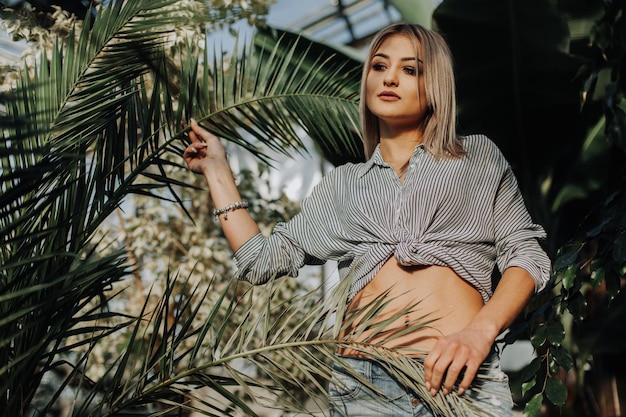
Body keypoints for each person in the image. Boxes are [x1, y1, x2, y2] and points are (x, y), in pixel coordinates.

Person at [183, 22, 551, 417]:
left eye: (410, 69)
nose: (389, 77)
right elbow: (260, 260)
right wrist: (217, 171)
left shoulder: (476, 157)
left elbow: (527, 257)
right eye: (379, 66)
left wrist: (481, 333)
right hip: (365, 387)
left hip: (461, 377)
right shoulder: (343, 184)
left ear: (436, 87)